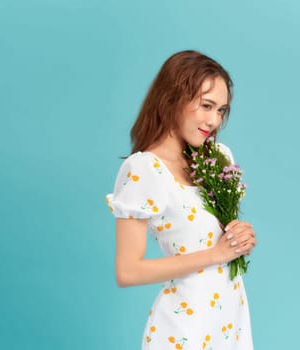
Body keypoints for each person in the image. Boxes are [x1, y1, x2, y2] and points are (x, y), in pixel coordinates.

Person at [106, 50, 257, 350]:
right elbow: (128, 271)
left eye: (221, 110)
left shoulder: (217, 158)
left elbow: (219, 238)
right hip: (182, 331)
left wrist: (242, 236)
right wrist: (215, 255)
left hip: (230, 323)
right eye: (206, 106)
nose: (214, 120)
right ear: (172, 98)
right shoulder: (144, 169)